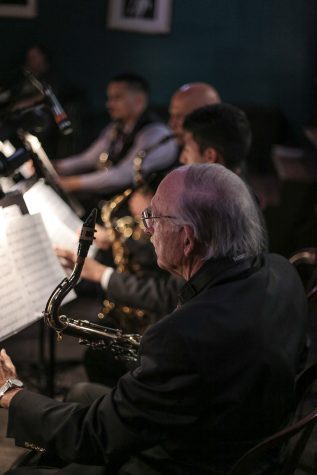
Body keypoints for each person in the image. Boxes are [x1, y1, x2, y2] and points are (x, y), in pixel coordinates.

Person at [1, 164, 307, 475]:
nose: (146, 229)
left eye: (154, 218)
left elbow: (95, 435)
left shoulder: (183, 336)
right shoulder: (282, 270)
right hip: (241, 430)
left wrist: (10, 393)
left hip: (194, 461)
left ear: (187, 240)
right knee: (81, 394)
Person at [57, 103, 252, 317]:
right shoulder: (229, 197)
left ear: (210, 156)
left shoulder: (215, 214)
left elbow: (170, 294)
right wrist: (116, 240)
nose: (182, 158)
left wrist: (102, 274)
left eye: (186, 148)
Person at [55, 73, 178, 196]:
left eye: (117, 98)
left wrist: (72, 183)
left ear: (139, 100)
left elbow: (124, 175)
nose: (109, 104)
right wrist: (57, 166)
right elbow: (89, 158)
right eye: (109, 98)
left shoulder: (156, 134)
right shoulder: (117, 127)